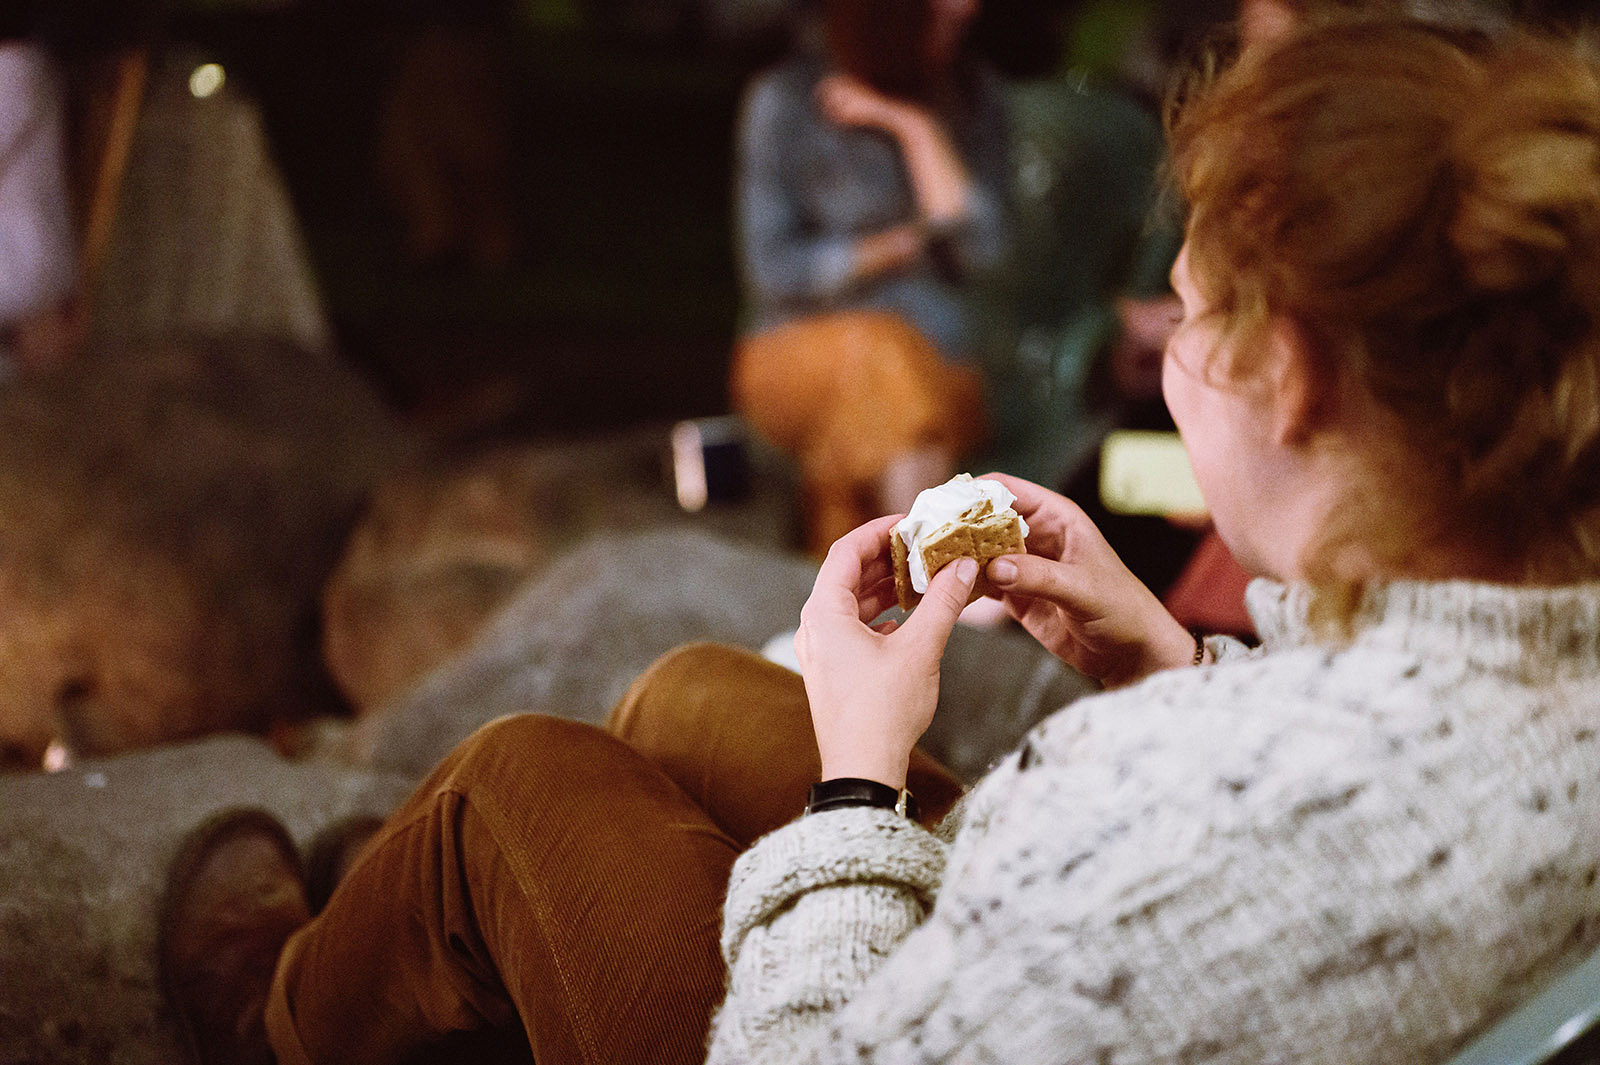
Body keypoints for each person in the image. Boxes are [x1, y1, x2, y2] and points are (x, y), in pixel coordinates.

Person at [160, 14, 1600, 1065]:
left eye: (1180, 310)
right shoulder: (1551, 657)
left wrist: (856, 783)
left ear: (1287, 372)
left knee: (511, 785)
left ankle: (283, 1021)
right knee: (692, 694)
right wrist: (1166, 658)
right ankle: (424, 958)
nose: (1162, 344)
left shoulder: (1164, 805)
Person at [730, 0, 1012, 553]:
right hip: (798, 354)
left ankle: (854, 606)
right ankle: (934, 576)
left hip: (940, 367)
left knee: (887, 394)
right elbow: (774, 271)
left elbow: (984, 251)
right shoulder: (787, 103)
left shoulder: (972, 101)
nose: (967, 8)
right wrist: (892, 249)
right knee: (885, 366)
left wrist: (914, 128)